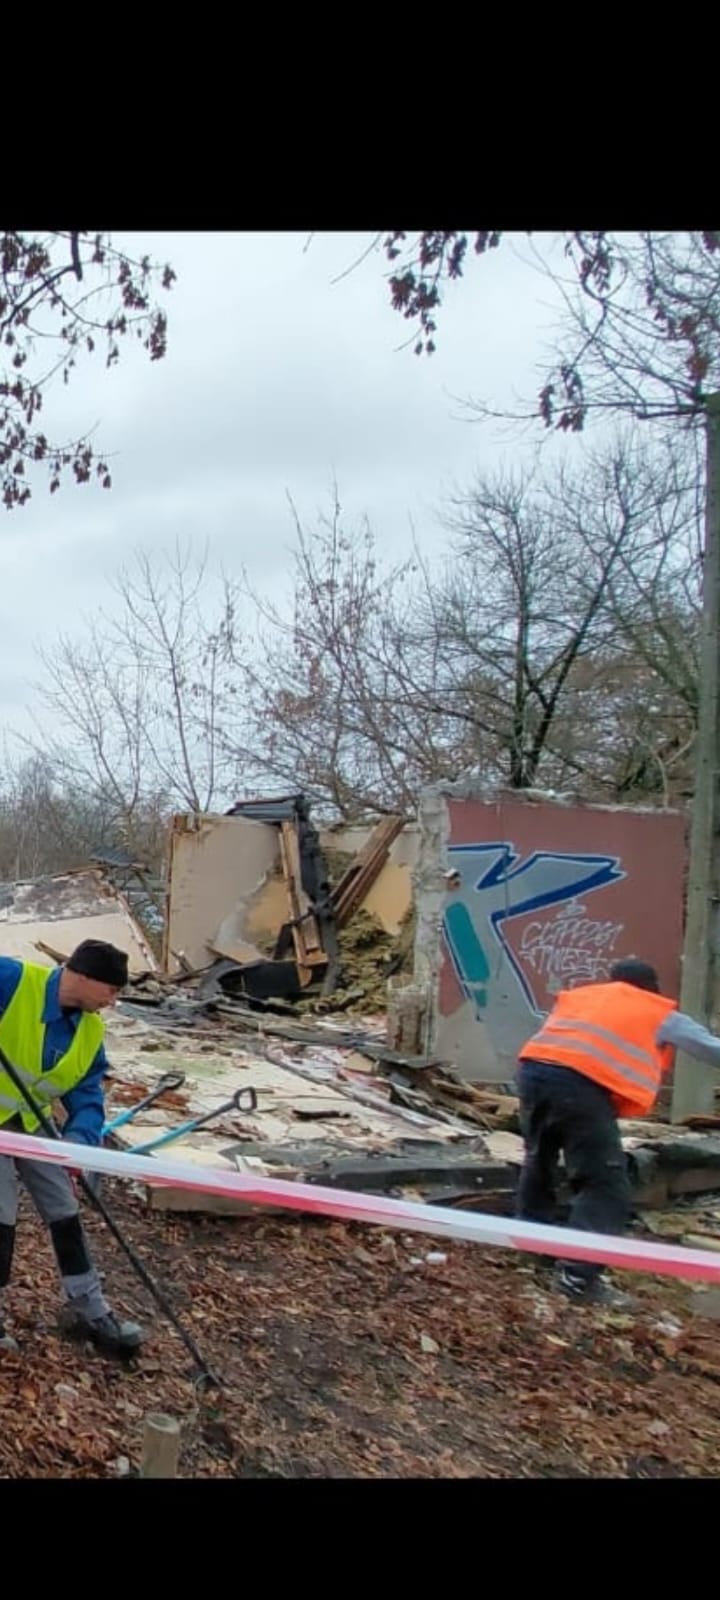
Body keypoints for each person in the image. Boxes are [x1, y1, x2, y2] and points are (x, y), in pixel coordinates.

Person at [516, 957, 720, 1308]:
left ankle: (532, 1248)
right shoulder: (657, 1011)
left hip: (532, 1074)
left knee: (539, 1162)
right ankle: (577, 1279)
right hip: (580, 1087)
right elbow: (710, 1049)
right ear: (652, 988)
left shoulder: (582, 997)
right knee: (605, 1183)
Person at [0, 939, 143, 1354]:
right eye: (111, 990)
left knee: (64, 1210)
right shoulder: (13, 979)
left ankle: (89, 1309)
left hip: (31, 1122)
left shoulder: (90, 1029)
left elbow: (87, 1091)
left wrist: (79, 1142)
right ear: (82, 976)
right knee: (0, 1214)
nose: (113, 1001)